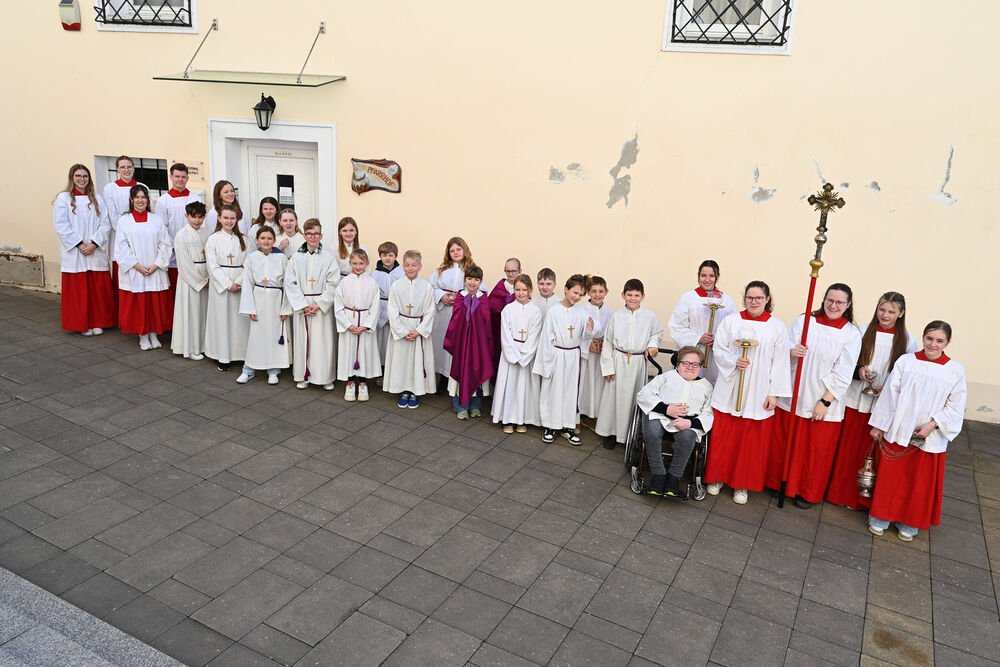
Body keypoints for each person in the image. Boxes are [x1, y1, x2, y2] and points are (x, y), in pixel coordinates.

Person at [867, 321, 966, 541]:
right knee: (891, 478)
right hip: (899, 429)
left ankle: (909, 523)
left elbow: (956, 406)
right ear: (923, 337)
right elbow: (890, 394)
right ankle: (880, 517)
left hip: (930, 435)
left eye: (939, 341)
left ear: (948, 342)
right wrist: (880, 424)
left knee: (919, 483)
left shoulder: (955, 371)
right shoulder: (906, 361)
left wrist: (933, 424)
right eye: (929, 338)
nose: (933, 344)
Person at [767, 283, 862, 509]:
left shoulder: (851, 334)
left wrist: (825, 401)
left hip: (823, 399)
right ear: (823, 299)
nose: (833, 305)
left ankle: (807, 491)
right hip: (794, 394)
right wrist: (792, 352)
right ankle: (779, 483)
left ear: (848, 305)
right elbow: (782, 352)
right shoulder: (804, 322)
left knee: (814, 451)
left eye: (839, 302)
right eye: (830, 300)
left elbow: (844, 372)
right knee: (786, 443)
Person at [826, 292, 918, 509]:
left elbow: (911, 376)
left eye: (891, 312)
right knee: (848, 449)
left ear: (901, 314)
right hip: (855, 399)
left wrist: (888, 388)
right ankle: (839, 494)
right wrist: (860, 371)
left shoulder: (908, 341)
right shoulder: (861, 331)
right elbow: (844, 362)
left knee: (871, 452)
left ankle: (863, 500)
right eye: (881, 310)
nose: (885, 315)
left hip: (882, 405)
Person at [704, 281, 791, 504]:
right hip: (732, 386)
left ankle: (741, 484)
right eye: (750, 298)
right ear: (745, 299)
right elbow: (719, 348)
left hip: (758, 390)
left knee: (749, 442)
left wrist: (774, 393)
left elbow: (780, 362)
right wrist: (734, 360)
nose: (754, 302)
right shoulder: (731, 321)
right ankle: (717, 478)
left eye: (759, 298)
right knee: (725, 436)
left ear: (767, 299)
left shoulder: (777, 327)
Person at [635, 346, 715, 498]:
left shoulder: (706, 387)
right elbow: (643, 395)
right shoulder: (666, 377)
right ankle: (658, 475)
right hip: (660, 415)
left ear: (700, 366)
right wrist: (666, 409)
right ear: (678, 364)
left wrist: (690, 424)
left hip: (687, 422)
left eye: (695, 364)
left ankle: (674, 478)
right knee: (651, 429)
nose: (690, 367)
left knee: (687, 437)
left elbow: (709, 414)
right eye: (686, 363)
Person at [595, 278, 664, 449]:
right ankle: (612, 433)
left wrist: (652, 344)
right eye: (629, 295)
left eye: (636, 295)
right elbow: (608, 342)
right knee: (613, 398)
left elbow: (657, 333)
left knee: (634, 397)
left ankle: (630, 434)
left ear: (643, 296)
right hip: (618, 360)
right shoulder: (616, 316)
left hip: (637, 362)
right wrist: (607, 368)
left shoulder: (650, 316)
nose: (633, 298)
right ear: (623, 295)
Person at [53, 164, 115, 335]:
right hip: (75, 251)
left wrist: (94, 243)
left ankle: (98, 321)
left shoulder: (97, 198)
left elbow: (105, 223)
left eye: (85, 176)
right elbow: (61, 225)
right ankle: (83, 324)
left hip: (94, 249)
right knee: (79, 291)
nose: (82, 179)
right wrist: (80, 244)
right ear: (72, 178)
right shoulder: (63, 199)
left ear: (89, 178)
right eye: (78, 176)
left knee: (97, 289)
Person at [533, 274, 593, 444]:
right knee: (553, 390)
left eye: (580, 295)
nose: (577, 297)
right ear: (566, 289)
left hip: (573, 356)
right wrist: (546, 364)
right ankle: (550, 426)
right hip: (557, 355)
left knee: (570, 391)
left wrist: (590, 329)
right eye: (575, 292)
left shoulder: (582, 311)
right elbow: (546, 339)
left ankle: (568, 426)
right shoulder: (554, 311)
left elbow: (586, 334)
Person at [285, 219, 340, 391]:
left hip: (321, 307)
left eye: (316, 234)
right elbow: (290, 282)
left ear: (321, 235)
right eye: (309, 233)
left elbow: (333, 283)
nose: (313, 237)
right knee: (303, 341)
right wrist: (302, 305)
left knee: (323, 342)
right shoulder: (296, 257)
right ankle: (303, 376)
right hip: (302, 305)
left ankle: (325, 377)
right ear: (305, 235)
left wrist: (319, 304)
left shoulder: (328, 258)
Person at [115, 184, 172, 350]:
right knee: (140, 304)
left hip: (154, 268)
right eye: (137, 197)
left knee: (153, 303)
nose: (140, 200)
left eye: (143, 197)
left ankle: (153, 333)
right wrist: (136, 266)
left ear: (148, 200)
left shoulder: (156, 219)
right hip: (135, 269)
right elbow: (121, 246)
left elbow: (165, 244)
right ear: (131, 200)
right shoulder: (124, 221)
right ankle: (143, 335)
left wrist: (157, 265)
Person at [668, 260, 738, 383]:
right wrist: (698, 338)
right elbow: (677, 326)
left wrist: (719, 340)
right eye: (703, 275)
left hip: (715, 357)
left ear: (717, 277)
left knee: (711, 386)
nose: (707, 280)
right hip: (692, 354)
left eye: (711, 276)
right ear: (698, 276)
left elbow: (734, 329)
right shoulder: (688, 298)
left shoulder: (727, 301)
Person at [237, 227, 292, 385]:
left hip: (276, 300)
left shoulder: (281, 258)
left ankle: (273, 370)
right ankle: (248, 369)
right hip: (258, 299)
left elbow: (288, 284)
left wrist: (285, 308)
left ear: (274, 240)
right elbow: (247, 283)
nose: (266, 241)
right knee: (256, 335)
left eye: (269, 238)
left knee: (275, 336)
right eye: (262, 238)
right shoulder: (252, 258)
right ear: (257, 240)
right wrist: (249, 308)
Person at [384, 250, 436, 408]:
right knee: (402, 361)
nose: (410, 268)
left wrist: (419, 331)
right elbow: (392, 310)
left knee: (417, 361)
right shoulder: (396, 286)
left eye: (414, 265)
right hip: (402, 328)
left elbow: (430, 311)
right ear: (403, 266)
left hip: (418, 329)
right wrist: (401, 331)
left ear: (420, 266)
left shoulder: (427, 287)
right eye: (407, 265)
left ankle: (415, 391)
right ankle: (404, 390)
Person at [492, 274, 543, 433]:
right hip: (510, 355)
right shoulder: (508, 309)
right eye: (517, 289)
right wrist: (513, 356)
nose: (521, 293)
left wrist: (524, 356)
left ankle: (522, 419)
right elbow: (505, 335)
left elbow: (535, 335)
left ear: (530, 290)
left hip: (526, 357)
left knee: (524, 388)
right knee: (510, 387)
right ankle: (507, 419)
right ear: (513, 290)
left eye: (524, 290)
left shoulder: (536, 311)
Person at [204, 205, 251, 371]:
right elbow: (212, 266)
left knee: (240, 321)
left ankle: (242, 354)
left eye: (232, 218)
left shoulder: (244, 239)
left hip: (240, 284)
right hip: (221, 286)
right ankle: (223, 356)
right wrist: (228, 284)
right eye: (226, 218)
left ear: (237, 219)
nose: (229, 221)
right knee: (222, 320)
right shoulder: (213, 239)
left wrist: (239, 282)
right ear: (219, 219)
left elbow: (249, 263)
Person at [444, 265, 493, 419]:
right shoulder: (460, 296)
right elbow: (456, 319)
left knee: (477, 370)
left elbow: (487, 321)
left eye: (476, 280)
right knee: (461, 370)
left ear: (481, 281)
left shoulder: (483, 298)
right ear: (464, 280)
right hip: (462, 343)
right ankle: (461, 406)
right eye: (469, 279)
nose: (472, 282)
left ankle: (475, 405)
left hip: (478, 344)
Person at [335, 248, 380, 401]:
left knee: (364, 353)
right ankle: (349, 383)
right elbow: (338, 306)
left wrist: (366, 326)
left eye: (361, 263)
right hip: (349, 322)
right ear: (350, 263)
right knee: (349, 353)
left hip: (364, 322)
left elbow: (375, 307)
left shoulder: (372, 282)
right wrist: (348, 325)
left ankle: (362, 384)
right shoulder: (344, 282)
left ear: (367, 263)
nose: (358, 266)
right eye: (354, 263)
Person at [430, 237, 476, 383]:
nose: (455, 253)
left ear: (465, 249)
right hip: (443, 313)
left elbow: (481, 290)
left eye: (458, 249)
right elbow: (431, 287)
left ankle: (454, 379)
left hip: (461, 314)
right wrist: (441, 296)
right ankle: (442, 378)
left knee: (457, 344)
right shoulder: (442, 270)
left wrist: (461, 299)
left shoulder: (472, 270)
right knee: (442, 343)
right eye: (452, 250)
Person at [170, 201, 210, 360]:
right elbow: (183, 263)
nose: (197, 220)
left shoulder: (207, 232)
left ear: (204, 217)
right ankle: (191, 348)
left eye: (200, 217)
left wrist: (209, 277)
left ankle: (204, 345)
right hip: (190, 279)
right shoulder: (181, 235)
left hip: (206, 275)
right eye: (194, 217)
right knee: (191, 313)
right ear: (186, 216)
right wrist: (200, 281)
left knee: (204, 313)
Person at [102, 156, 143, 286]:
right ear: (117, 169)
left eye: (129, 167)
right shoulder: (110, 188)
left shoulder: (142, 187)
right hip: (119, 236)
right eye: (123, 167)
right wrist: (127, 235)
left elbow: (148, 211)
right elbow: (112, 215)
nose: (126, 170)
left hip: (140, 236)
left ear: (134, 168)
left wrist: (137, 233)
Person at [579, 276, 613, 419]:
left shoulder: (610, 314)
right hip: (586, 355)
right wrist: (588, 344)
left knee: (598, 385)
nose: (597, 295)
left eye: (601, 291)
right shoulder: (581, 310)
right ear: (588, 292)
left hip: (601, 354)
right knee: (584, 384)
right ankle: (580, 414)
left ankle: (595, 415)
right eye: (594, 291)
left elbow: (611, 335)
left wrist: (604, 344)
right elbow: (576, 334)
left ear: (606, 292)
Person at [373, 241, 404, 366]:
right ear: (380, 256)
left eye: (390, 255)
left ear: (396, 256)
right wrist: (383, 318)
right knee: (380, 343)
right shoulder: (375, 274)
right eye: (384, 255)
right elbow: (373, 297)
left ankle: (393, 368)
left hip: (396, 308)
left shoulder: (401, 274)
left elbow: (403, 295)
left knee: (394, 343)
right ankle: (381, 368)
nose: (387, 258)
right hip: (380, 307)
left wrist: (395, 317)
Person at [489, 258, 522, 373]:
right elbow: (490, 307)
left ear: (520, 271)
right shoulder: (499, 288)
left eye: (513, 271)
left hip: (517, 332)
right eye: (507, 271)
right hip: (498, 330)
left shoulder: (522, 289)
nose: (510, 274)